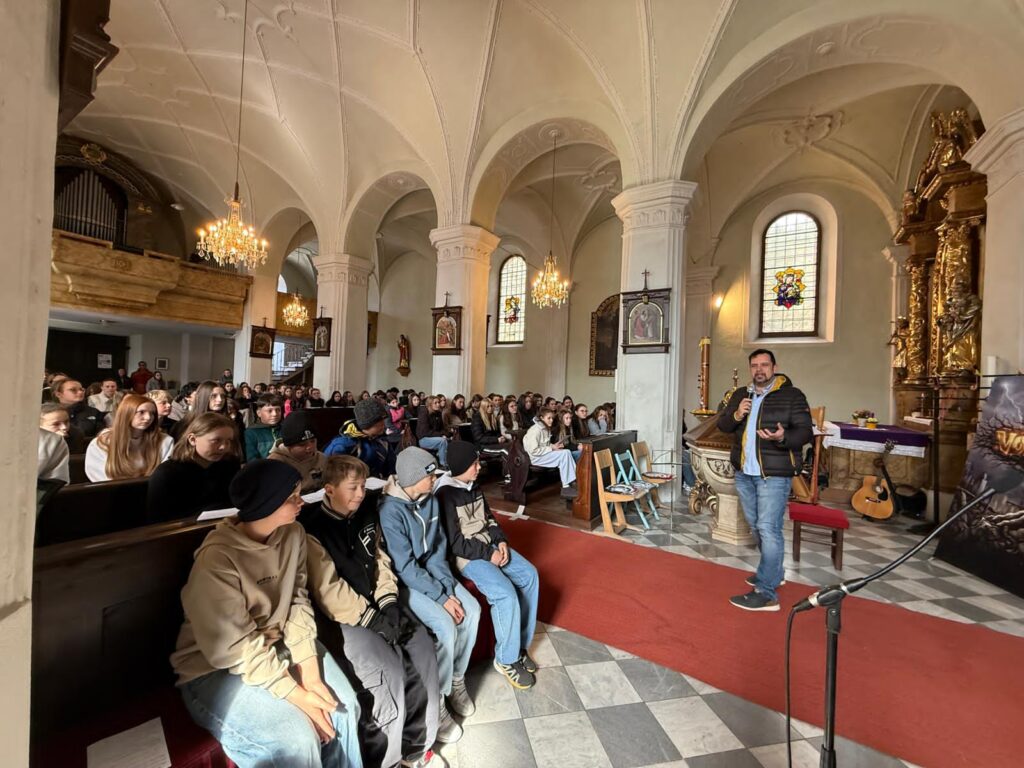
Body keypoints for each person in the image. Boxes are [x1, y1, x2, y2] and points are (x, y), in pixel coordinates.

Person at [171, 460, 363, 768]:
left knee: (344, 707)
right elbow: (234, 648)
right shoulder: (217, 559)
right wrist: (297, 695)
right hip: (215, 668)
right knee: (296, 740)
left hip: (276, 646)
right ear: (266, 505)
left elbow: (297, 601)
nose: (302, 502)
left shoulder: (293, 534)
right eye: (292, 498)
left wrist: (310, 675)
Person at [302, 456, 445, 766]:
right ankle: (387, 758)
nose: (360, 494)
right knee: (386, 669)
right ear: (329, 490)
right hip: (340, 619)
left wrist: (389, 602)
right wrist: (373, 619)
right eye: (352, 488)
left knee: (421, 645)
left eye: (363, 487)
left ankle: (418, 744)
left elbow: (379, 559)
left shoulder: (365, 511)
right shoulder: (312, 529)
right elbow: (328, 591)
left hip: (376, 602)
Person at [379, 447, 480, 744]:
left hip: (435, 576)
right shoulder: (390, 511)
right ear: (413, 478)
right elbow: (405, 567)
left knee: (472, 610)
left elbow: (437, 552)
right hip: (407, 583)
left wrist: (447, 589)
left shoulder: (431, 500)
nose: (436, 479)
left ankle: (456, 680)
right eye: (431, 475)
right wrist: (441, 598)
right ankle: (439, 698)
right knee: (445, 626)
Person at [435, 442, 539, 689]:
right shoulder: (445, 495)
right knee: (504, 593)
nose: (479, 467)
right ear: (461, 466)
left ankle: (518, 646)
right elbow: (455, 543)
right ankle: (506, 659)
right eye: (474, 464)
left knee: (529, 575)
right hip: (468, 556)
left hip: (489, 545)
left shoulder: (474, 485)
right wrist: (488, 554)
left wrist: (501, 542)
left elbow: (490, 519)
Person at [718, 348, 812, 612]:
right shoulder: (741, 394)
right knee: (756, 527)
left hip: (773, 474)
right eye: (755, 365)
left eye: (764, 365)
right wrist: (737, 414)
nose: (759, 369)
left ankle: (766, 593)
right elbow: (723, 425)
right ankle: (774, 573)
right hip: (744, 473)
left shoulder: (792, 395)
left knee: (768, 528)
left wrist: (782, 437)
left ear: (774, 367)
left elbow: (805, 432)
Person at [146, 413, 241, 523]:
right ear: (192, 439)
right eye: (216, 440)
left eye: (228, 441)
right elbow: (158, 519)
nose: (223, 447)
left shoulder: (229, 464)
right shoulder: (167, 473)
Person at [85, 394, 174, 482]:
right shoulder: (101, 443)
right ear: (127, 413)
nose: (148, 417)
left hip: (151, 489)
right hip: (114, 489)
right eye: (141, 412)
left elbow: (163, 475)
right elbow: (100, 477)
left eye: (152, 413)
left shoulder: (165, 441)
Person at [324, 399, 394, 478]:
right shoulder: (342, 444)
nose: (383, 425)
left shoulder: (382, 440)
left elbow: (391, 467)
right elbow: (333, 474)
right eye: (379, 423)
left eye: (383, 421)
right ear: (367, 425)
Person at [523, 407, 578, 498]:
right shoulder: (535, 430)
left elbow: (545, 444)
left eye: (552, 418)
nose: (551, 420)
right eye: (549, 418)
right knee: (564, 454)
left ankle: (571, 482)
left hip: (543, 454)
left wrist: (554, 446)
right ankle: (566, 487)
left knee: (566, 452)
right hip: (536, 458)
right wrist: (551, 448)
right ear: (541, 418)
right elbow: (533, 450)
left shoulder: (545, 428)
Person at [269, 412, 329, 492]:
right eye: (302, 444)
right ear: (289, 446)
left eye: (313, 441)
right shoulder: (274, 463)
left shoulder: (322, 458)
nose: (310, 447)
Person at [245, 394, 284, 460]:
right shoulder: (251, 433)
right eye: (269, 411)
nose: (275, 414)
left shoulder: (285, 428)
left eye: (278, 410)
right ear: (259, 413)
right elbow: (251, 459)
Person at [415, 396, 449, 468]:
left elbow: (442, 428)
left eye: (438, 402)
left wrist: (444, 434)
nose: (438, 404)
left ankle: (446, 461)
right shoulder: (424, 413)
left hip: (435, 437)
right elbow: (425, 432)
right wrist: (441, 435)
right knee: (442, 441)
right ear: (430, 404)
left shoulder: (438, 413)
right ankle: (443, 464)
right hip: (423, 439)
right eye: (435, 403)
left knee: (450, 440)